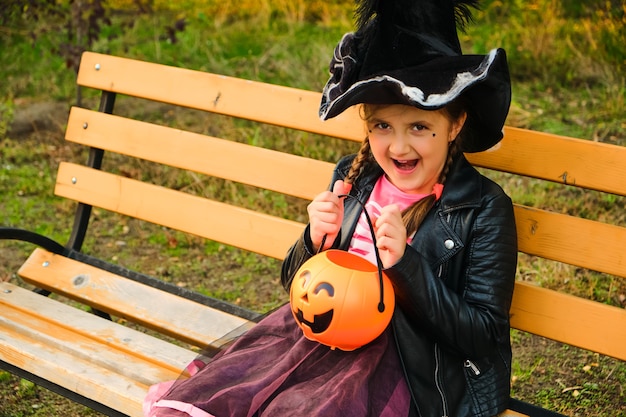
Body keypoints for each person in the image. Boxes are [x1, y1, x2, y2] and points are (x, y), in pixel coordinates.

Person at [144, 0, 518, 416]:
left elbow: (483, 335)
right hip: (317, 342)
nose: (398, 146)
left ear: (456, 124)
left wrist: (406, 267)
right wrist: (314, 240)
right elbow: (295, 286)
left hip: (405, 368)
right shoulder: (354, 178)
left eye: (419, 127)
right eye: (382, 126)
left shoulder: (482, 208)